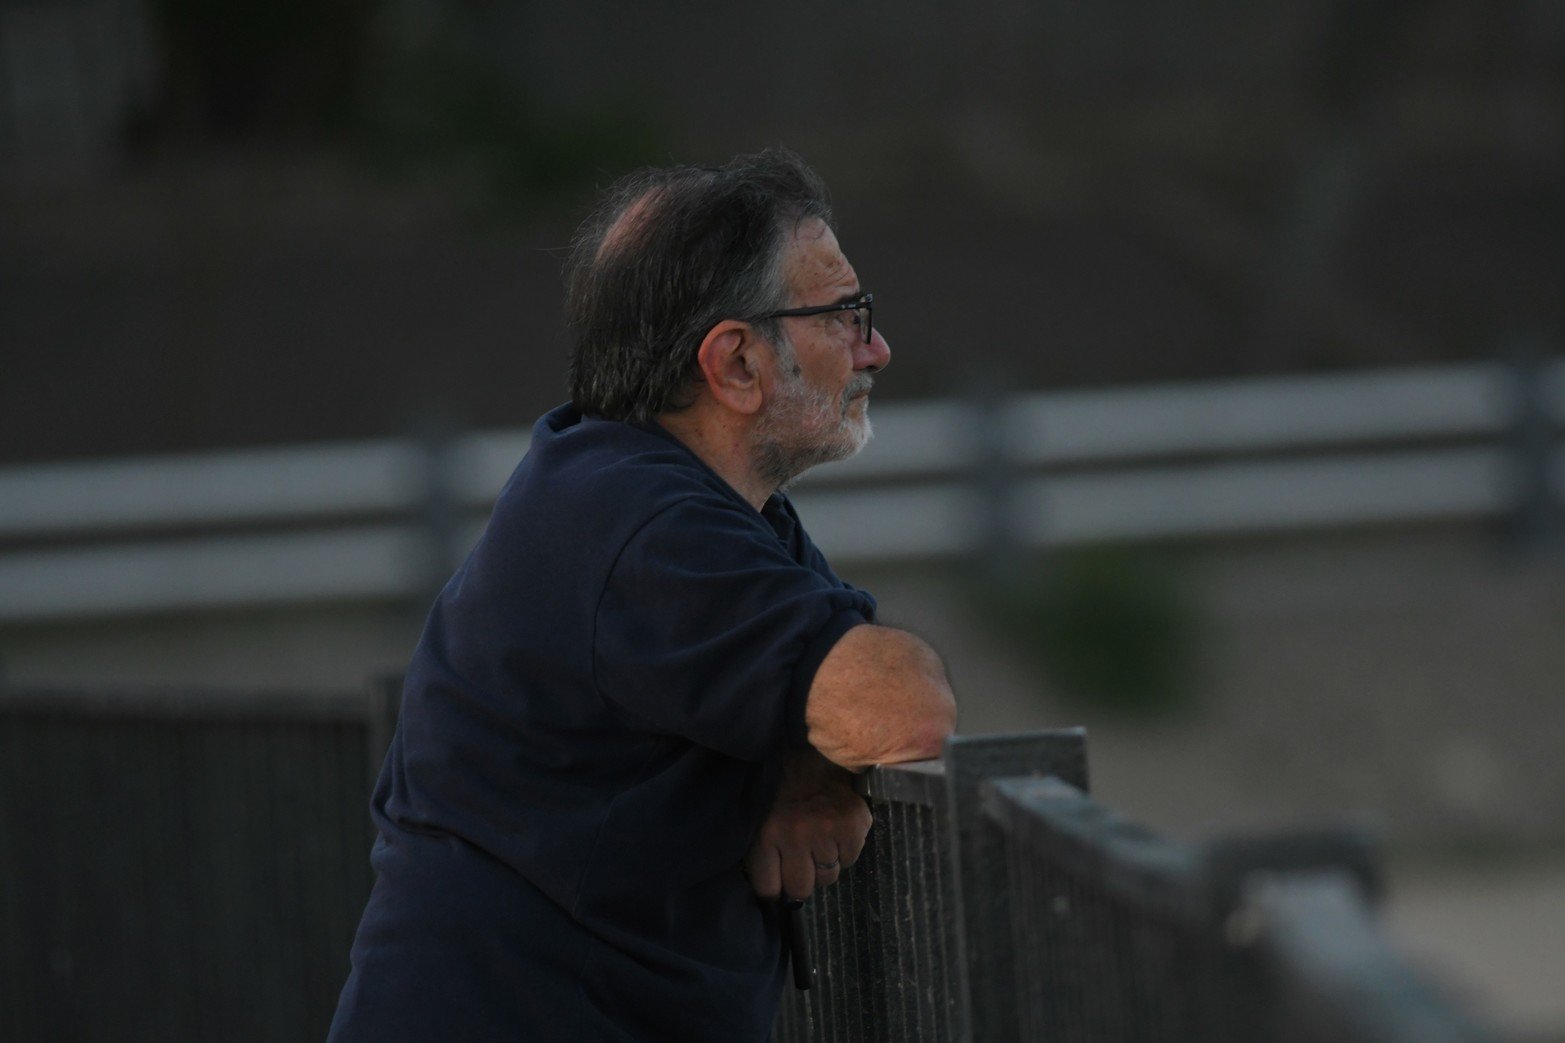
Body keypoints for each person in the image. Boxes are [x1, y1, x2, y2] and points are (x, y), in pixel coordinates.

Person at [329, 149, 957, 1042]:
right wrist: (825, 744)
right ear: (735, 362)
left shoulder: (654, 495)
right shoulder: (638, 529)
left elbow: (821, 684)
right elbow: (904, 706)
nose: (876, 349)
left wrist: (812, 761)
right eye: (845, 316)